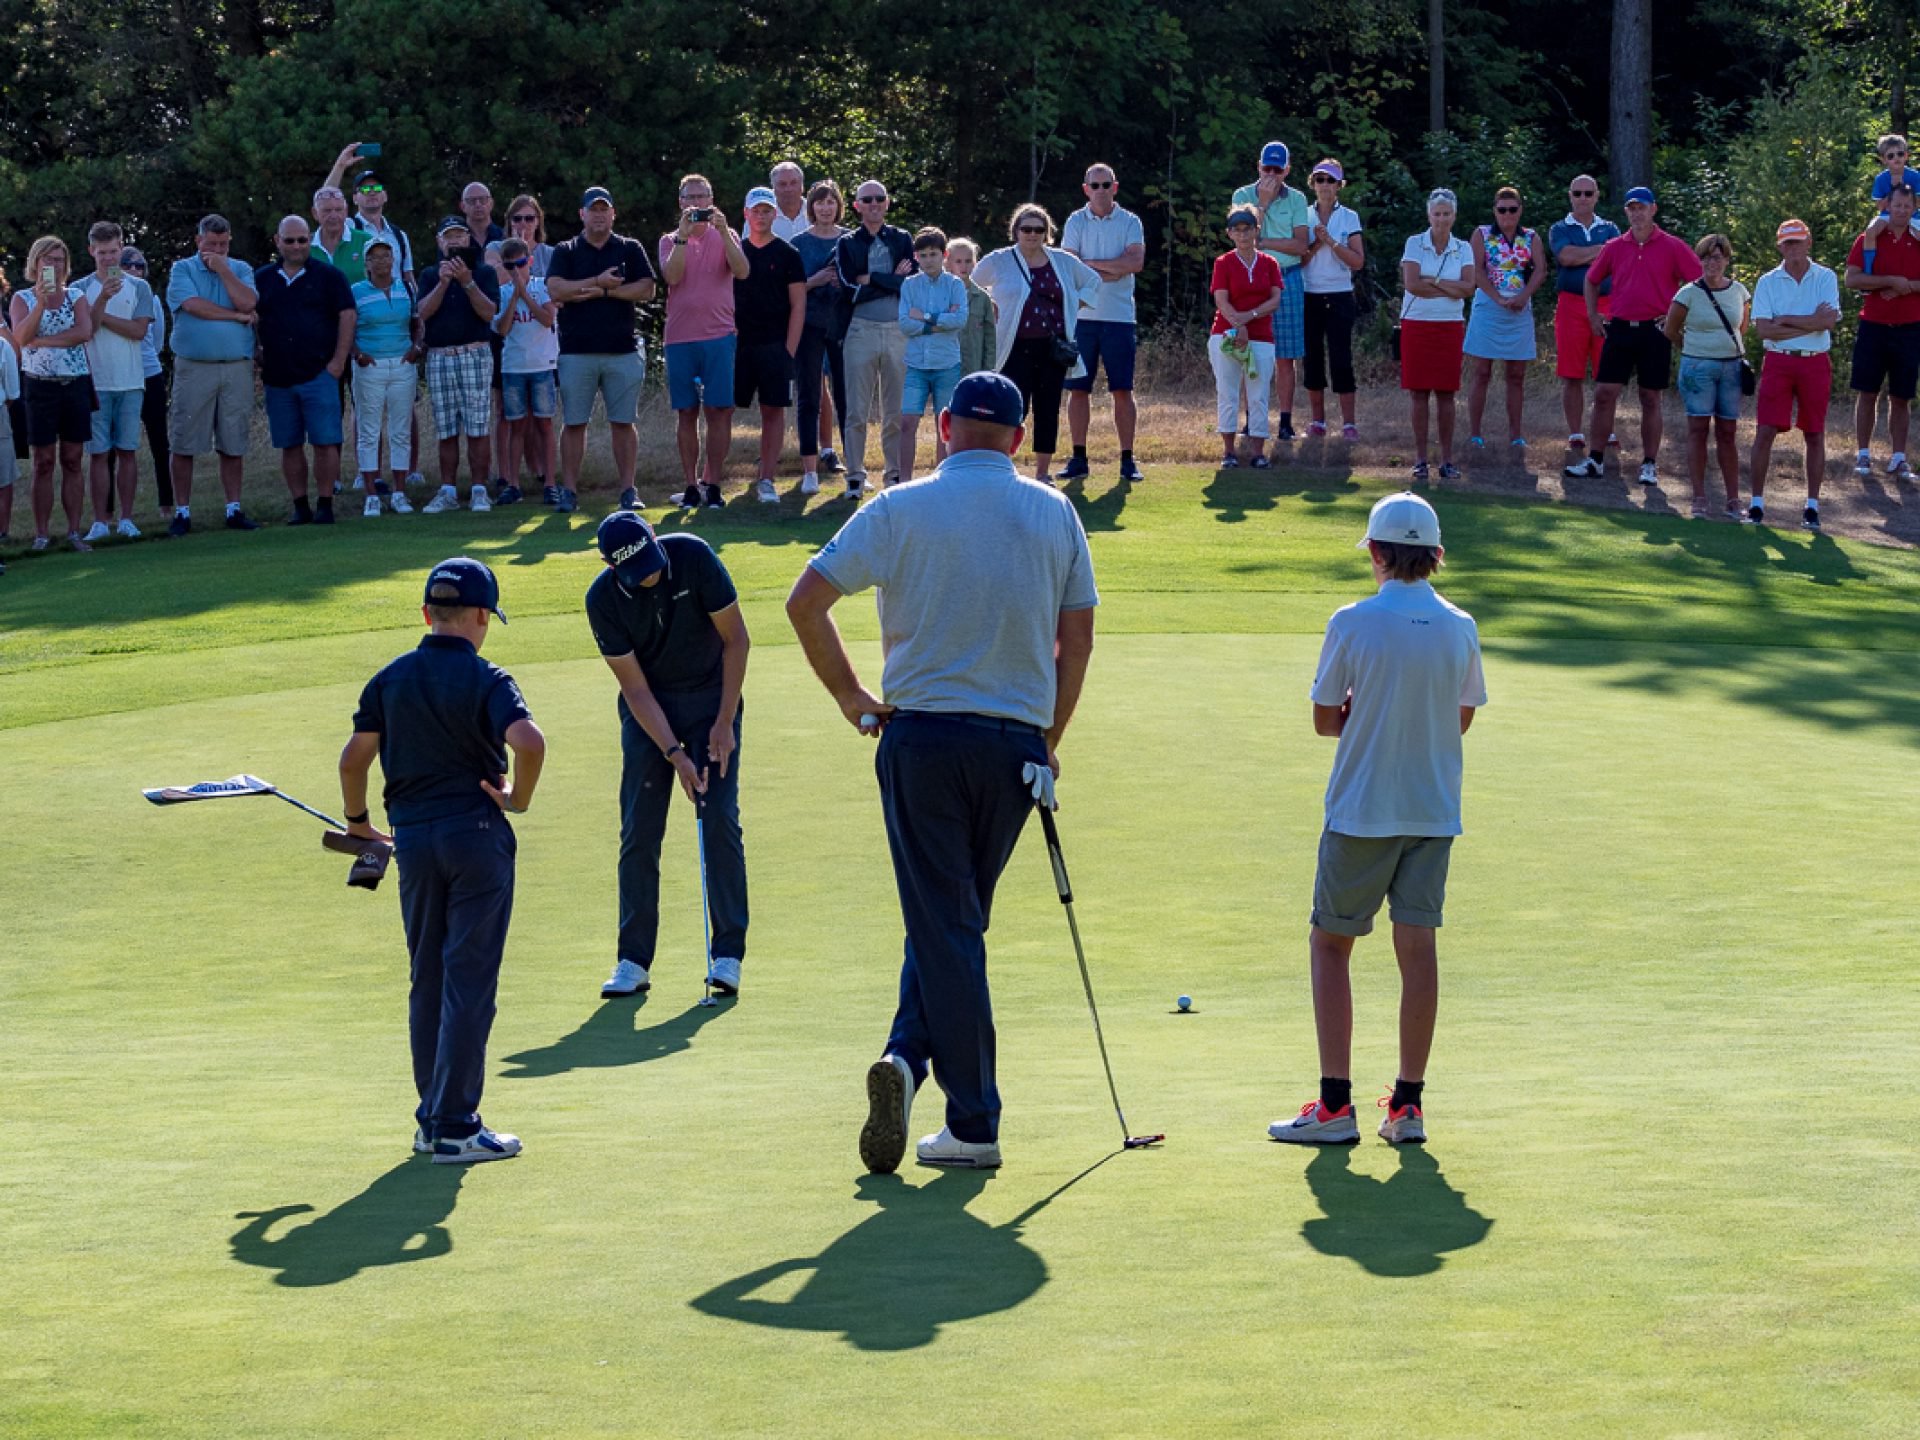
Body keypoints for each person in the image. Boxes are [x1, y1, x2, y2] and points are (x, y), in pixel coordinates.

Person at [784, 370, 1098, 1173]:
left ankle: (974, 1122)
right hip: (1015, 749)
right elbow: (1078, 643)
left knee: (947, 922)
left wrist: (855, 699)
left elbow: (805, 603)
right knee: (951, 919)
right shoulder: (1055, 510)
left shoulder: (899, 505)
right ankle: (906, 1060)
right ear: (1021, 439)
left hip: (922, 739)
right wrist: (1048, 739)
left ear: (945, 428)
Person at [1268, 491, 1485, 1150]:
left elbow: (1324, 719)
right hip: (1432, 811)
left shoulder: (1352, 621)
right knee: (1417, 949)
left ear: (1376, 551)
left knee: (1330, 944)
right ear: (1436, 555)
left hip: (1362, 810)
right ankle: (1408, 1108)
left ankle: (1336, 1106)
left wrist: (1367, 711)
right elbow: (1463, 716)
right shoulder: (1459, 625)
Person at [339, 556, 546, 1164]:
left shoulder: (389, 679)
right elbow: (530, 742)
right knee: (470, 982)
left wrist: (358, 825)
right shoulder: (488, 678)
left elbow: (354, 759)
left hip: (414, 843)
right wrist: (518, 799)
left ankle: (433, 1120)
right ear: (481, 616)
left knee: (427, 977)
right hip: (477, 838)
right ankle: (455, 1126)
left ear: (429, 614)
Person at [588, 511, 752, 1001]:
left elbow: (736, 639)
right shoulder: (603, 601)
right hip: (651, 712)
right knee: (639, 828)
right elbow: (635, 691)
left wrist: (723, 722)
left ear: (654, 538)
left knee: (718, 817)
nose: (651, 574)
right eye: (637, 571)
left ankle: (727, 956)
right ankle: (633, 960)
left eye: (651, 560)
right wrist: (675, 754)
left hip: (711, 700)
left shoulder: (695, 557)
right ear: (611, 567)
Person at [1564, 186, 1702, 486]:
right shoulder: (1615, 246)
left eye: (1642, 207)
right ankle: (1596, 459)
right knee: (1604, 394)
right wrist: (1592, 315)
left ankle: (1649, 464)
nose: (1637, 213)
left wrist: (1678, 317)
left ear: (1653, 209)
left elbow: (1698, 283)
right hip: (1620, 327)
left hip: (1656, 329)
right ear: (1626, 211)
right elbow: (1591, 280)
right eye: (1631, 208)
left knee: (1650, 397)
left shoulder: (1673, 245)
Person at [970, 205, 1101, 482]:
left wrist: (1075, 303)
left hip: (1051, 348)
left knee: (1048, 409)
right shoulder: (1000, 259)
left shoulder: (1062, 261)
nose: (1032, 234)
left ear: (1047, 233)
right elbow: (969, 285)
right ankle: (1003, 467)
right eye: (1026, 229)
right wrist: (987, 306)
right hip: (1013, 347)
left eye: (1038, 230)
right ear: (1015, 231)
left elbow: (1093, 281)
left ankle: (1043, 472)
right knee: (1011, 407)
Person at [548, 186, 658, 513]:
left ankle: (628, 491)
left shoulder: (629, 247)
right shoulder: (566, 250)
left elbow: (647, 288)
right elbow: (556, 288)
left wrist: (605, 293)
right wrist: (598, 281)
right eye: (592, 209)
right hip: (576, 352)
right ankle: (569, 492)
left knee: (623, 422)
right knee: (574, 423)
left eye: (604, 209)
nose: (598, 215)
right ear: (582, 214)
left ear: (613, 214)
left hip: (621, 351)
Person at [254, 215, 357, 526]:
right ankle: (300, 506)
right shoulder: (262, 279)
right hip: (278, 377)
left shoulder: (329, 276)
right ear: (277, 241)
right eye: (290, 240)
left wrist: (338, 362)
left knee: (325, 441)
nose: (297, 246)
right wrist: (256, 353)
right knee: (289, 443)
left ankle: (325, 504)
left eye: (302, 240)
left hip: (319, 373)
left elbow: (348, 316)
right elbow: (250, 317)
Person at [165, 214, 260, 535]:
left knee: (233, 440)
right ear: (198, 241)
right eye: (211, 244)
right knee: (184, 440)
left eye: (223, 244)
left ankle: (233, 508)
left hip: (236, 366)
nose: (217, 250)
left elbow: (249, 301)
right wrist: (235, 316)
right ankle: (182, 512)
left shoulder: (241, 269)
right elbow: (194, 306)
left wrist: (223, 269)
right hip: (195, 367)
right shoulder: (182, 269)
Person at [660, 174, 749, 509]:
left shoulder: (728, 235)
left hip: (719, 336)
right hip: (681, 338)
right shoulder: (669, 240)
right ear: (680, 202)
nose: (696, 203)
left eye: (702, 197)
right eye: (690, 197)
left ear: (712, 199)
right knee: (686, 412)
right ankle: (690, 484)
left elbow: (742, 271)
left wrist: (724, 231)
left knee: (720, 411)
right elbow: (672, 276)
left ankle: (712, 483)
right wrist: (683, 237)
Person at [1749, 218, 1841, 530]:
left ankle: (1812, 506)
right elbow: (1763, 330)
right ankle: (1757, 503)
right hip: (1778, 359)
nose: (1793, 248)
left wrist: (1785, 320)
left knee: (1814, 432)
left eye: (1797, 242)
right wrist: (1808, 321)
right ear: (1779, 246)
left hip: (1815, 360)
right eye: (1787, 243)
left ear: (1808, 242)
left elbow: (1827, 323)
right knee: (1765, 431)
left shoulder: (1825, 277)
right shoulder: (1768, 280)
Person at [1060, 162, 1146, 481]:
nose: (1100, 191)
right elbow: (1070, 269)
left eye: (1105, 185)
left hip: (1120, 318)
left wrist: (1091, 267)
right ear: (1085, 189)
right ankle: (1079, 458)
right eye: (1094, 185)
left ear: (1115, 187)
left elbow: (1135, 262)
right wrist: (1112, 269)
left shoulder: (1130, 221)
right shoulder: (1074, 221)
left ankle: (1127, 460)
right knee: (1078, 390)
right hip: (1081, 319)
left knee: (1122, 390)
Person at [10, 235, 95, 552]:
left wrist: (44, 341)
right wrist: (42, 305)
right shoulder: (22, 298)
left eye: (59, 259)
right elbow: (20, 336)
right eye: (49, 259)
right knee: (43, 461)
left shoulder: (76, 296)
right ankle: (42, 534)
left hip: (74, 383)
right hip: (38, 385)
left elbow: (84, 332)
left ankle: (74, 531)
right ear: (36, 263)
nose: (55, 265)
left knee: (73, 459)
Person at [835, 180, 916, 493]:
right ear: (857, 206)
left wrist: (878, 279)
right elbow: (850, 289)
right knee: (856, 410)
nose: (873, 204)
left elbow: (910, 284)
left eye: (879, 199)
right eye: (866, 200)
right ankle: (855, 475)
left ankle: (893, 474)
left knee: (894, 411)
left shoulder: (901, 239)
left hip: (898, 330)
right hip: (860, 331)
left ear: (887, 202)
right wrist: (891, 280)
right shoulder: (847, 243)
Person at [1662, 233, 1750, 519]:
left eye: (1718, 256)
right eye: (1707, 257)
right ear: (1699, 260)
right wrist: (1692, 349)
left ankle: (1734, 499)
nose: (1713, 262)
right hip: (1697, 368)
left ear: (1726, 259)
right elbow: (1670, 330)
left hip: (1731, 368)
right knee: (1697, 431)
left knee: (1728, 433)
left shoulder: (1739, 292)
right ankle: (1699, 496)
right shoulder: (1687, 293)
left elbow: (1743, 327)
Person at [416, 216, 500, 514]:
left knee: (478, 426)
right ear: (440, 242)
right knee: (446, 428)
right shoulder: (429, 274)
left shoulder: (485, 272)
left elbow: (490, 313)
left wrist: (467, 282)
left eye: (459, 236)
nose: (454, 241)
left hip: (474, 354)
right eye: (447, 236)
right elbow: (422, 314)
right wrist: (443, 283)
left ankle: (479, 490)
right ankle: (448, 491)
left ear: (468, 240)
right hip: (440, 356)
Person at [78, 221, 153, 542]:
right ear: (91, 251)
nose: (108, 258)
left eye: (113, 251)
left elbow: (139, 331)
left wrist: (104, 316)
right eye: (102, 252)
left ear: (122, 248)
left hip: (131, 380)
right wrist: (102, 302)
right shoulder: (79, 289)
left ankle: (126, 518)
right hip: (95, 383)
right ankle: (99, 521)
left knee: (127, 451)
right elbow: (86, 331)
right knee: (98, 453)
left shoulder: (139, 287)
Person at [1232, 142, 1312, 439]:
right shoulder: (1242, 196)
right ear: (1258, 167)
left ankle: (1287, 421)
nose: (1272, 174)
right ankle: (1252, 417)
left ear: (1287, 170)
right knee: (1250, 352)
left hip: (1287, 276)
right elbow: (1242, 238)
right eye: (1267, 168)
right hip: (1251, 277)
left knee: (1285, 356)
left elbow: (1300, 245)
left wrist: (1263, 243)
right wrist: (1261, 205)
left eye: (1278, 170)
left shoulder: (1298, 198)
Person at [734, 186, 807, 503]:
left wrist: (789, 350)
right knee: (720, 412)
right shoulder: (734, 251)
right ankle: (709, 483)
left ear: (774, 214)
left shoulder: (788, 254)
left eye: (766, 211)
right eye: (755, 211)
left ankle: (766, 479)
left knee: (773, 412)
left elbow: (799, 305)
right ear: (745, 214)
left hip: (775, 346)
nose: (761, 217)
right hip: (737, 346)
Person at [1844, 183, 1920, 481]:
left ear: (1914, 208)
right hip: (1874, 325)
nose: (1901, 211)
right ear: (1887, 206)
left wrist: (1905, 287)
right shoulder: (1870, 238)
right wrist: (1889, 281)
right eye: (1896, 205)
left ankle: (1899, 458)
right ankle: (1863, 454)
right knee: (1867, 392)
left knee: (1902, 396)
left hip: (1911, 327)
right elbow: (1852, 279)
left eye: (1906, 206)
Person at [1398, 189, 1475, 482]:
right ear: (1429, 215)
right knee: (1418, 393)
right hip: (1417, 323)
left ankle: (1446, 460)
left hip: (1449, 325)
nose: (1441, 219)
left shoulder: (1463, 248)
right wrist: (1449, 286)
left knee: (1446, 393)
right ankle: (1420, 460)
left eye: (1446, 214)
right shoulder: (1414, 243)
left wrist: (1435, 281)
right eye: (1436, 214)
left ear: (1454, 216)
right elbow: (1413, 285)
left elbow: (1468, 288)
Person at [1464, 187, 1544, 452]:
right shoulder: (1481, 234)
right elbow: (1476, 270)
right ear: (1495, 211)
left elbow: (1540, 270)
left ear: (1519, 210)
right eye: (1502, 210)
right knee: (1481, 371)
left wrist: (1523, 296)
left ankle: (1516, 434)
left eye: (1512, 209)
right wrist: (1498, 298)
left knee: (1516, 375)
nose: (1507, 215)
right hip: (1489, 305)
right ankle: (1475, 433)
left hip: (1520, 307)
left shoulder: (1531, 237)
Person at [1550, 175, 1621, 453]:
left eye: (1588, 193)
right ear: (1570, 195)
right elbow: (1565, 257)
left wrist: (1587, 254)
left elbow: (1617, 260)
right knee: (1572, 373)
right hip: (1571, 304)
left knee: (1608, 373)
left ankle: (1608, 429)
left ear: (1596, 195)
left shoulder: (1610, 227)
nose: (1582, 198)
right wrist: (1602, 251)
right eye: (1577, 193)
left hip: (1607, 305)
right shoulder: (1559, 228)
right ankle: (1576, 432)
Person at [349, 237, 421, 514]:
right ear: (366, 263)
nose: (381, 261)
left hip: (403, 364)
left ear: (394, 260)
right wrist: (357, 355)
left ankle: (400, 493)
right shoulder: (356, 291)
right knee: (368, 430)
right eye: (375, 257)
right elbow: (346, 327)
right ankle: (372, 495)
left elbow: (417, 322)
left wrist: (416, 348)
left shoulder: (407, 288)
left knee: (400, 429)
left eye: (386, 256)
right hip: (370, 365)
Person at [1208, 206, 1283, 469]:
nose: (1243, 234)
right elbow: (1221, 300)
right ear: (1229, 233)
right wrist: (1238, 324)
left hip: (1261, 336)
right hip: (1225, 335)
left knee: (1258, 395)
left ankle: (1257, 453)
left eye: (1247, 229)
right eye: (1237, 230)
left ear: (1256, 230)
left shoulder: (1269, 263)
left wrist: (1247, 318)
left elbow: (1274, 299)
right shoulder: (1223, 263)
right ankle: (1228, 452)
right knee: (1227, 392)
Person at [792, 180, 852, 495]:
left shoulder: (850, 240)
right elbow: (788, 290)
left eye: (831, 202)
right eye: (819, 202)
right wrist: (813, 281)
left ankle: (854, 470)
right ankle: (810, 471)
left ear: (838, 206)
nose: (825, 208)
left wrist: (846, 286)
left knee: (846, 397)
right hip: (809, 326)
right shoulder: (799, 243)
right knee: (809, 396)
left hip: (843, 328)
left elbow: (860, 285)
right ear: (811, 207)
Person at [1299, 159, 1365, 438]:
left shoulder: (1349, 217)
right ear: (1313, 184)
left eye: (1330, 180)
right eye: (1320, 179)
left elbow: (1357, 262)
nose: (1325, 185)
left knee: (1341, 357)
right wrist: (1316, 243)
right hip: (1309, 294)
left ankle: (1348, 424)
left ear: (1339, 186)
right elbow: (1297, 261)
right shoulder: (1303, 215)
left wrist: (1331, 242)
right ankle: (1318, 422)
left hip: (1340, 295)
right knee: (1312, 358)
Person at [896, 227, 967, 483]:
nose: (928, 260)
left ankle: (941, 478)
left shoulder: (955, 284)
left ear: (944, 255)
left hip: (946, 364)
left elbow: (959, 320)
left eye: (933, 254)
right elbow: (905, 324)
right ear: (916, 257)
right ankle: (904, 480)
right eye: (923, 255)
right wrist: (937, 323)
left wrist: (925, 317)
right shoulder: (910, 284)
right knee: (907, 423)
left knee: (944, 425)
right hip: (916, 364)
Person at [491, 236, 557, 511]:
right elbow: (502, 329)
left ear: (529, 261)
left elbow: (546, 319)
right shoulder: (503, 293)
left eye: (520, 263)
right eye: (510, 266)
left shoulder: (543, 287)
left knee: (544, 425)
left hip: (542, 365)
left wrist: (525, 294)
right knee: (516, 426)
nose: (516, 270)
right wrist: (514, 295)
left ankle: (551, 484)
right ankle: (513, 484)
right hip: (513, 367)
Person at [118, 247, 173, 514]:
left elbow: (158, 340)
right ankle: (107, 514)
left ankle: (167, 504)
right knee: (113, 447)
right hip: (118, 376)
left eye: (140, 266)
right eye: (128, 265)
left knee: (160, 442)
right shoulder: (108, 300)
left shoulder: (151, 299)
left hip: (149, 374)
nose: (135, 270)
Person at [323, 146, 415, 279]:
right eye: (365, 189)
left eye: (377, 188)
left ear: (385, 196)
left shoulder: (399, 235)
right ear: (354, 198)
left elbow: (408, 276)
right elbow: (325, 199)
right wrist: (340, 165)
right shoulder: (348, 227)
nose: (372, 192)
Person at [1859, 133, 1911, 275]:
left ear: (1906, 156)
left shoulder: (1915, 176)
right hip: (1887, 215)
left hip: (1912, 216)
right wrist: (1893, 191)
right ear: (1883, 160)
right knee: (1870, 232)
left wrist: (1904, 192)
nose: (1896, 158)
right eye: (1891, 156)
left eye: (1900, 154)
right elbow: (1880, 206)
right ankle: (1868, 269)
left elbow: (1917, 203)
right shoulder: (1881, 179)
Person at [948, 237, 995, 377]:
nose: (964, 266)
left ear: (975, 263)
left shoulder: (982, 297)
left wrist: (988, 370)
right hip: (946, 370)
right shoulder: (940, 295)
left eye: (968, 261)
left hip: (974, 369)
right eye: (958, 261)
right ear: (948, 263)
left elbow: (990, 338)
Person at [311, 187, 370, 285]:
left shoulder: (366, 241)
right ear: (315, 213)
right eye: (327, 210)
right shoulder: (304, 246)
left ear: (346, 211)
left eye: (338, 210)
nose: (333, 215)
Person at [770, 161, 809, 242]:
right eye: (782, 184)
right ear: (773, 188)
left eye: (793, 183)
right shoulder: (761, 215)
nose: (788, 189)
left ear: (802, 185)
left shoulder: (816, 212)